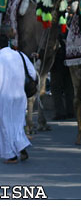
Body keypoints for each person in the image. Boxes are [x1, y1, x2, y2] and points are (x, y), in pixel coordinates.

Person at [0, 33, 34, 163]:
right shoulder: (20, 55)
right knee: (18, 124)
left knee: (5, 126)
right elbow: (32, 74)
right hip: (20, 96)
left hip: (4, 97)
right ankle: (22, 149)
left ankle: (11, 155)